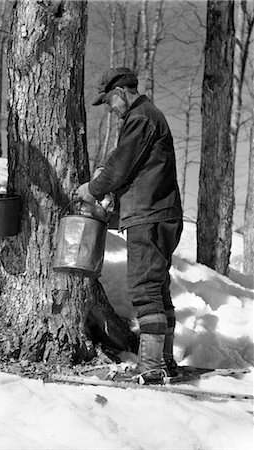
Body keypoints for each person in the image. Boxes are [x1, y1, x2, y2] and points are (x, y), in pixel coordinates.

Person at [76, 67, 183, 382]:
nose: (110, 109)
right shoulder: (146, 118)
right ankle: (165, 360)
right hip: (161, 213)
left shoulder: (140, 118)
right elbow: (128, 161)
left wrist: (92, 189)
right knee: (158, 288)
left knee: (144, 289)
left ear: (121, 92)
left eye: (109, 101)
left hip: (148, 215)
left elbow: (122, 167)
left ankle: (151, 366)